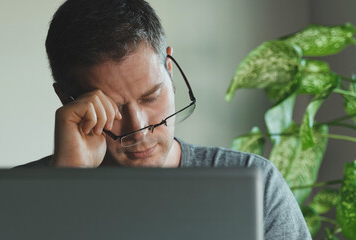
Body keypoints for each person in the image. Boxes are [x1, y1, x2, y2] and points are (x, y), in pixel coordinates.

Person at [17, 0, 312, 239]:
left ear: (169, 68)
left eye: (151, 97)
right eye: (114, 109)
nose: (140, 127)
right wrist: (65, 187)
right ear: (67, 99)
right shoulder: (14, 200)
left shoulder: (258, 186)